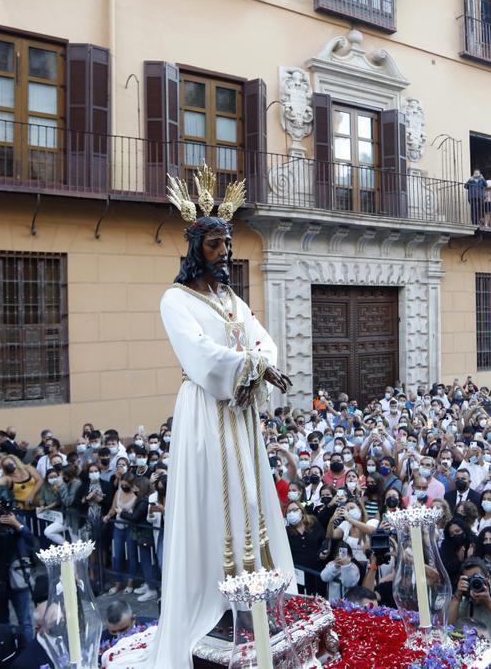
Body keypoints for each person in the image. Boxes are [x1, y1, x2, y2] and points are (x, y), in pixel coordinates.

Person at [149, 165, 296, 667]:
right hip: (206, 411)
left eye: (228, 245)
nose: (225, 253)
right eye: (215, 246)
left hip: (242, 411)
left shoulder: (231, 298)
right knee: (217, 498)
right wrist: (255, 366)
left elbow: (262, 340)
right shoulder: (175, 300)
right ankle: (220, 601)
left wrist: (264, 364)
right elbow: (203, 357)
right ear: (196, 250)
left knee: (253, 493)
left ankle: (259, 591)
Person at [0, 500, 38, 642]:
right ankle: (6, 648)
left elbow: (32, 541)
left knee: (25, 620)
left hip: (18, 578)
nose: (1, 513)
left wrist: (16, 524)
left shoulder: (16, 523)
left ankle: (28, 651)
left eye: (2, 509)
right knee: (1, 622)